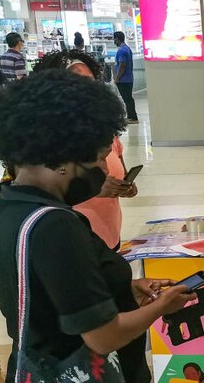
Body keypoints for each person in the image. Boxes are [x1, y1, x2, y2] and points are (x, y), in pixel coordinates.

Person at [0, 71, 195, 383]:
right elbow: (104, 336)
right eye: (101, 157)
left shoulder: (8, 206)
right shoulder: (56, 226)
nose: (104, 169)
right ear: (64, 155)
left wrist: (124, 289)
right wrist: (163, 305)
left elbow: (50, 294)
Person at [32, 50, 138, 250]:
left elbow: (119, 172)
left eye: (91, 81)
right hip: (69, 244)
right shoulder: (42, 138)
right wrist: (93, 189)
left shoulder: (106, 130)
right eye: (77, 82)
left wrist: (125, 187)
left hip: (109, 238)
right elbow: (35, 191)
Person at [114, 31, 138, 124]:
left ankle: (132, 117)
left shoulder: (121, 50)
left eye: (114, 39)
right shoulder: (127, 48)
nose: (114, 41)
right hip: (129, 78)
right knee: (128, 98)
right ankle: (131, 116)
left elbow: (122, 65)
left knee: (127, 99)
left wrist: (117, 78)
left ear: (117, 39)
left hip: (124, 80)